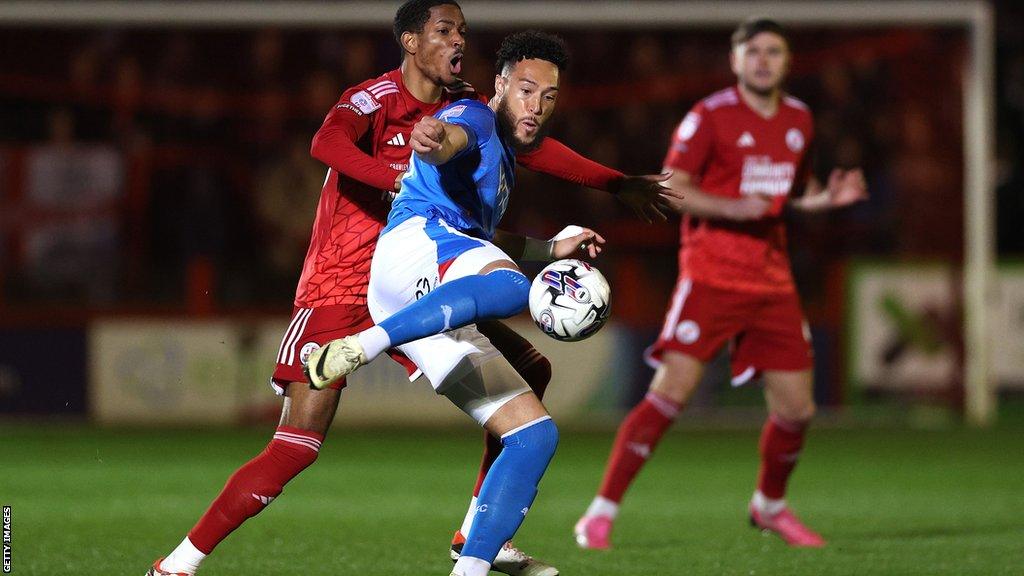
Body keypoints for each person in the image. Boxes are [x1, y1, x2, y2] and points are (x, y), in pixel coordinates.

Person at [146, 3, 677, 575]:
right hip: (344, 282)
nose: (457, 43)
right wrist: (399, 174)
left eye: (463, 34)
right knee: (297, 445)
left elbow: (518, 156)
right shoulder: (375, 100)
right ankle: (178, 563)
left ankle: (478, 535)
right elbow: (325, 145)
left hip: (429, 275)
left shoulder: (468, 108)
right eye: (444, 32)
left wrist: (613, 186)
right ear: (409, 40)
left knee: (532, 369)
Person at [303, 30, 594, 576]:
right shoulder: (479, 119)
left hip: (435, 284)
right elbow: (451, 137)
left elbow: (482, 239)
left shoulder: (505, 158)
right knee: (514, 289)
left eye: (548, 98)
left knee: (534, 437)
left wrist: (553, 248)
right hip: (411, 248)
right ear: (501, 84)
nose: (536, 107)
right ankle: (358, 346)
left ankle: (472, 566)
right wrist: (435, 137)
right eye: (527, 90)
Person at [574, 18, 868, 550]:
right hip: (710, 274)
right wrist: (732, 207)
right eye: (752, 51)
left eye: (773, 51)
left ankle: (770, 505)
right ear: (735, 61)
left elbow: (786, 194)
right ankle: (600, 511)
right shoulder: (708, 117)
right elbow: (670, 187)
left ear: (786, 60)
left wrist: (824, 200)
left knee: (798, 409)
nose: (763, 60)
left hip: (772, 279)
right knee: (671, 394)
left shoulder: (800, 119)